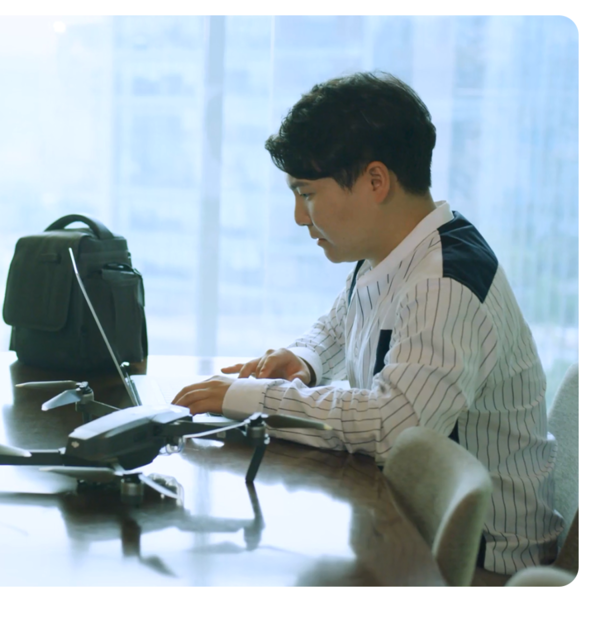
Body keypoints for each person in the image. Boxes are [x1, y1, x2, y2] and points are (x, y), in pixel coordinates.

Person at [171, 71, 562, 576]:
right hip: (407, 522)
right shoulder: (395, 250)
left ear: (376, 181)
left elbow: (392, 427)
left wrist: (251, 398)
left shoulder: (444, 283)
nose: (299, 217)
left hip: (478, 565)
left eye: (307, 194)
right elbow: (339, 326)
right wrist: (305, 360)